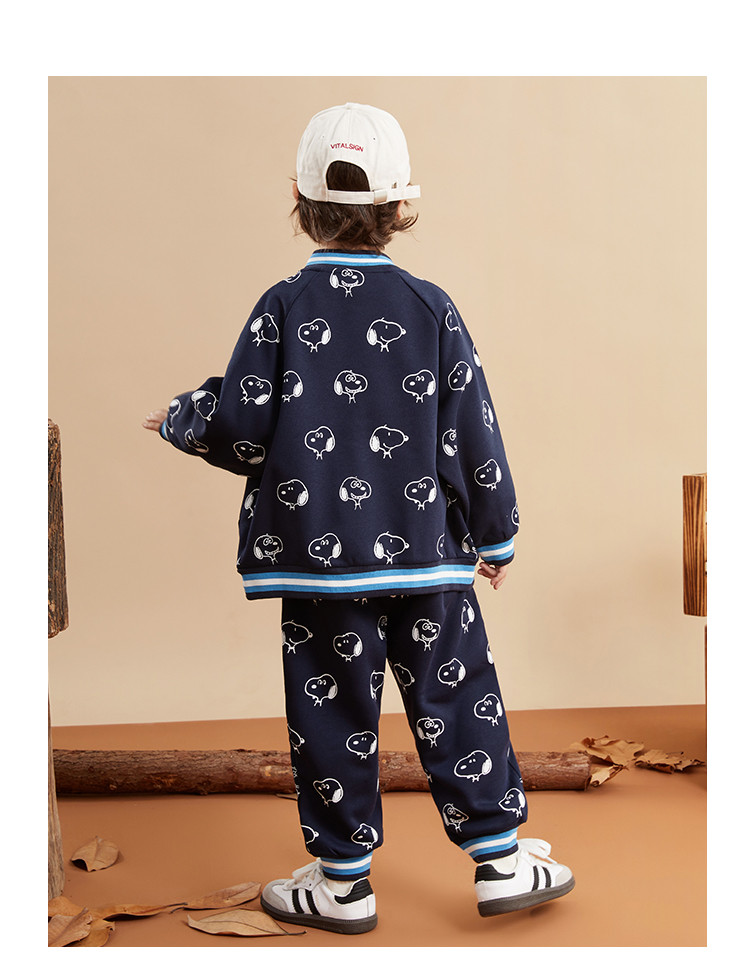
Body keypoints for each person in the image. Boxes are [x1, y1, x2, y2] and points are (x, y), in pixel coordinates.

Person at [143, 102, 574, 935]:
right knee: (459, 697)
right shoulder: (431, 307)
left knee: (331, 714)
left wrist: (183, 416)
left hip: (320, 567)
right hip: (427, 562)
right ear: (401, 207)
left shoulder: (281, 305)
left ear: (298, 200)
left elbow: (241, 426)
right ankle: (500, 863)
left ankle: (343, 884)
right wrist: (496, 535)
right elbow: (471, 429)